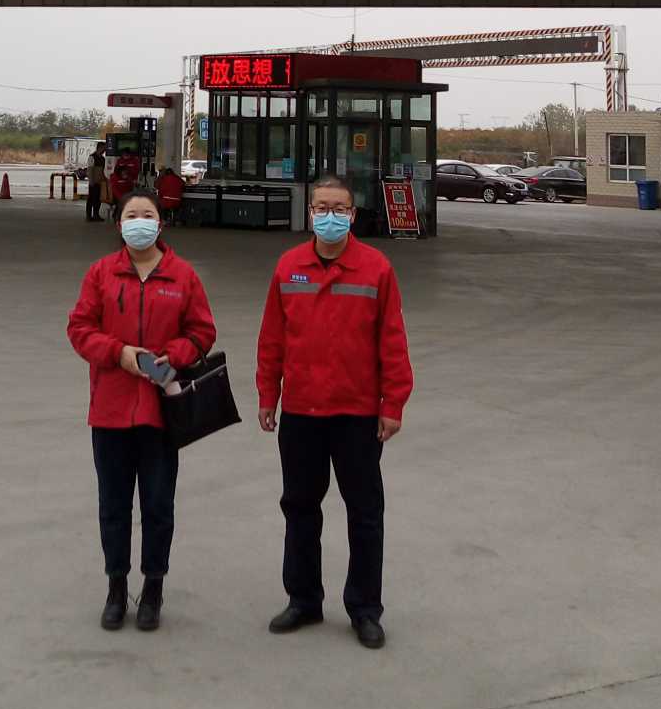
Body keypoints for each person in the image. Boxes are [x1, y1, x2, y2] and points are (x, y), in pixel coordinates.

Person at [255, 171, 413, 649]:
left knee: (364, 513)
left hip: (357, 414)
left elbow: (392, 342)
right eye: (321, 208)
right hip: (302, 412)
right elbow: (272, 339)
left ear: (353, 214)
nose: (330, 216)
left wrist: (392, 403)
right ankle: (303, 599)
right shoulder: (288, 268)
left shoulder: (376, 269)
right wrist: (268, 395)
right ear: (310, 213)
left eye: (339, 209)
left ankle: (364, 608)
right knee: (300, 508)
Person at [66, 188, 217, 632]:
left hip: (161, 413)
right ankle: (116, 586)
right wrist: (119, 353)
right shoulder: (101, 273)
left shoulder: (183, 275)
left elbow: (202, 331)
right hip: (110, 411)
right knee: (113, 506)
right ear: (119, 225)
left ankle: (153, 587)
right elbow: (80, 328)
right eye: (131, 215)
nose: (140, 222)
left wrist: (175, 355)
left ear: (160, 223)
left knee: (157, 504)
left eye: (147, 215)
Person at [85, 147, 108, 223]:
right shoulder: (92, 157)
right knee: (91, 199)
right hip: (93, 182)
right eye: (103, 149)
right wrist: (91, 181)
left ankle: (96, 215)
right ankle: (89, 216)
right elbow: (90, 170)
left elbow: (102, 171)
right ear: (99, 148)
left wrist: (104, 179)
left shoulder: (102, 159)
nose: (104, 151)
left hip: (99, 182)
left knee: (98, 200)